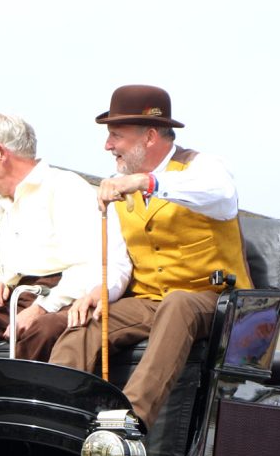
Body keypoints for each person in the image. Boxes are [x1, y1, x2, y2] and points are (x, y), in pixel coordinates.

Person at [50, 85, 250, 431]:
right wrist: (100, 292)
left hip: (216, 300)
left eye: (116, 135)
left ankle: (128, 422)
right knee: (86, 320)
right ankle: (56, 418)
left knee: (178, 303)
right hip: (150, 301)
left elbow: (222, 195)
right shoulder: (118, 186)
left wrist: (147, 182)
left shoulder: (204, 167)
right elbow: (119, 263)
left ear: (150, 136)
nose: (107, 145)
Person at [0, 112, 117, 362]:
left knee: (40, 330)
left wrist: (41, 308)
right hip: (11, 300)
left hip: (59, 298)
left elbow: (90, 266)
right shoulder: (0, 204)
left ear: (1, 153)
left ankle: (14, 390)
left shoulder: (65, 187)